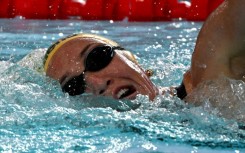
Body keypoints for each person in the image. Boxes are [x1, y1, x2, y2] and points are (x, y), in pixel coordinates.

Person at [22, 0, 245, 102]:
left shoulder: (211, 81)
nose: (98, 82)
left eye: (97, 57)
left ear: (131, 57)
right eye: (74, 86)